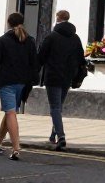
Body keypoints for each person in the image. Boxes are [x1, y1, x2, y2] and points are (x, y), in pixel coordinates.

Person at [0, 11, 37, 161]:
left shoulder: (3, 40)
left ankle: (16, 148)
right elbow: (35, 63)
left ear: (8, 23)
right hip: (22, 83)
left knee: (10, 113)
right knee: (10, 112)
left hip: (7, 81)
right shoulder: (30, 41)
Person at [37, 9, 85, 151]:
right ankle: (53, 136)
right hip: (67, 78)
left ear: (57, 19)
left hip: (53, 77)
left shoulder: (51, 37)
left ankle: (61, 137)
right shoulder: (75, 38)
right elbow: (81, 58)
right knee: (58, 107)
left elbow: (40, 58)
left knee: (55, 108)